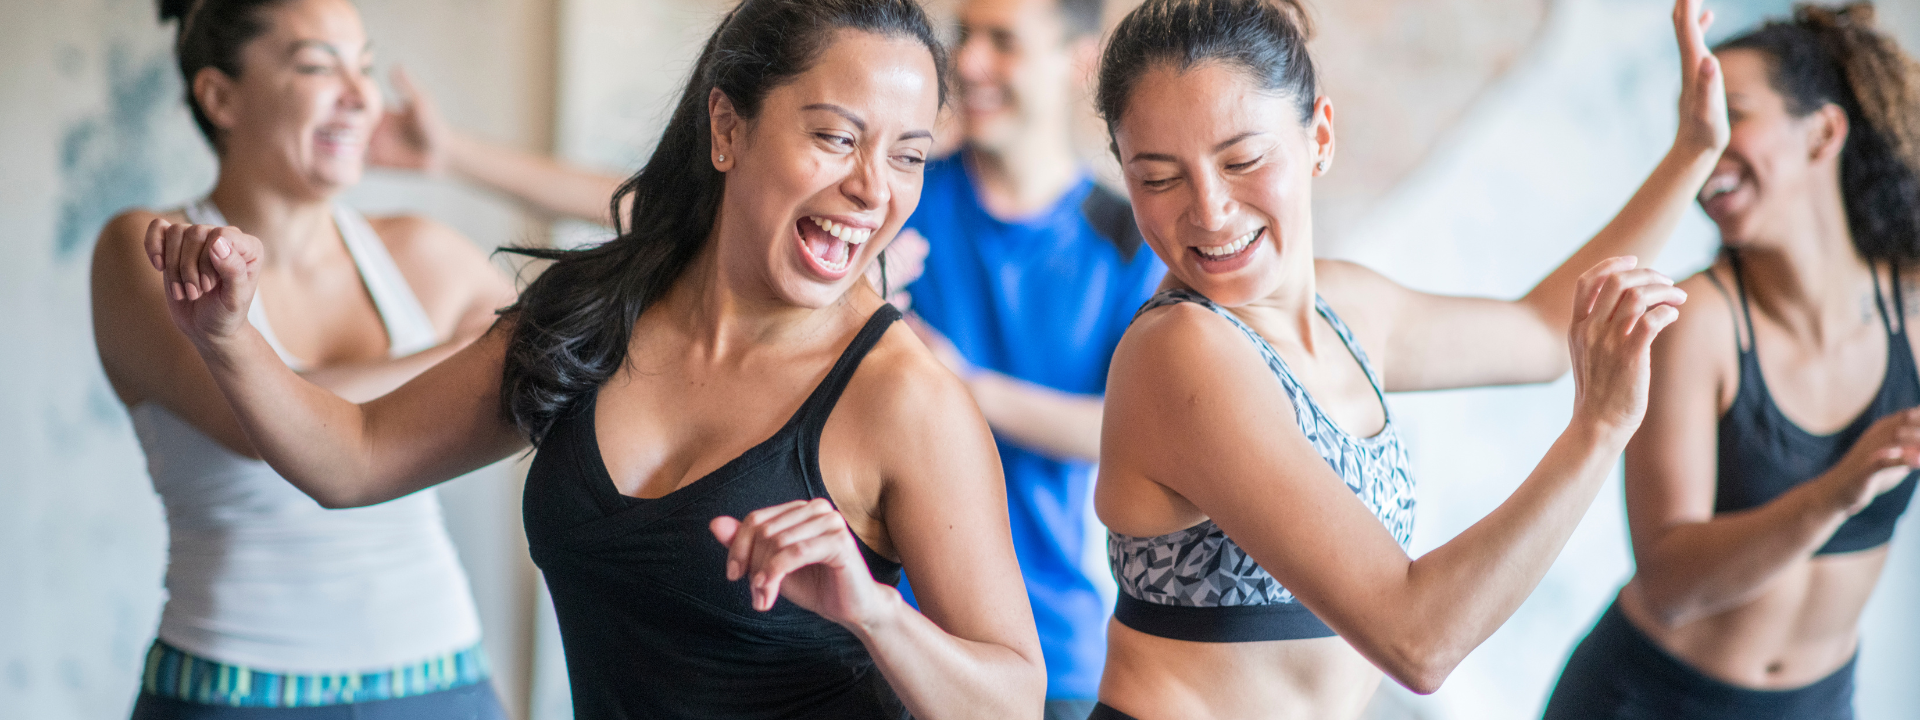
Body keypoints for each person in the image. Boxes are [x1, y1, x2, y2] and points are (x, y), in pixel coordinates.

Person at [142, 0, 1049, 717]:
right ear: (726, 130)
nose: (872, 189)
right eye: (836, 136)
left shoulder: (905, 399)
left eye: (910, 156)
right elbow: (354, 456)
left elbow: (1013, 701)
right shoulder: (591, 313)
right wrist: (227, 334)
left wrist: (877, 614)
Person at [1084, 0, 1727, 717]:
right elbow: (1420, 641)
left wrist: (1691, 152)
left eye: (1243, 160)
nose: (1208, 210)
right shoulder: (1182, 353)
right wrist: (1597, 432)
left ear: (1319, 136)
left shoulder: (1350, 308)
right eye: (1159, 178)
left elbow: (1544, 332)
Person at [90, 0, 519, 717]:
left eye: (366, 67)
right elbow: (263, 417)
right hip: (231, 691)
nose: (362, 97)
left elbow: (666, 231)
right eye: (320, 66)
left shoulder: (422, 253)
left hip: (443, 685)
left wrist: (453, 157)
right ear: (220, 96)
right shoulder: (147, 249)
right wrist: (476, 352)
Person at [1543, 5, 1920, 718]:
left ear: (1824, 132)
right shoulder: (1697, 323)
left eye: (1731, 116)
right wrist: (1837, 491)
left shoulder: (1912, 311)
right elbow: (1669, 586)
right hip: (1651, 697)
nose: (1708, 147)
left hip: (1818, 701)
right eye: (1695, 126)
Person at [894, 0, 1166, 716]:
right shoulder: (900, 192)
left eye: (1003, 41)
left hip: (1049, 653)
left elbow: (1133, 434)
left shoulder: (1130, 243)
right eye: (965, 36)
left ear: (1078, 60)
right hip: (879, 626)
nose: (970, 61)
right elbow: (708, 219)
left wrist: (962, 386)